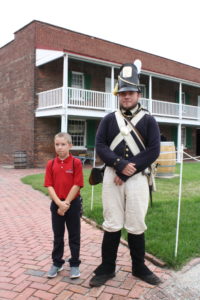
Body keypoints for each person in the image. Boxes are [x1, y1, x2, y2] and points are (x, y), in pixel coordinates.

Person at [89, 60, 161, 287]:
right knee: (112, 222)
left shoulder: (149, 120)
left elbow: (154, 150)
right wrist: (119, 164)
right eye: (122, 93)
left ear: (138, 93)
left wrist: (129, 170)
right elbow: (99, 145)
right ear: (118, 95)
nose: (126, 97)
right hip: (112, 176)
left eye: (130, 92)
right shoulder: (110, 119)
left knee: (136, 223)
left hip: (138, 178)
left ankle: (139, 267)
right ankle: (107, 267)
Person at [44, 132, 84, 279]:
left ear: (70, 145)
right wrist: (59, 204)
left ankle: (74, 264)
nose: (60, 147)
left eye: (63, 144)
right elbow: (49, 186)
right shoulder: (51, 164)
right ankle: (57, 262)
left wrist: (66, 203)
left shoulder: (76, 163)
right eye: (57, 144)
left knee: (74, 235)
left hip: (72, 204)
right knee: (58, 236)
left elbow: (77, 184)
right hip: (56, 204)